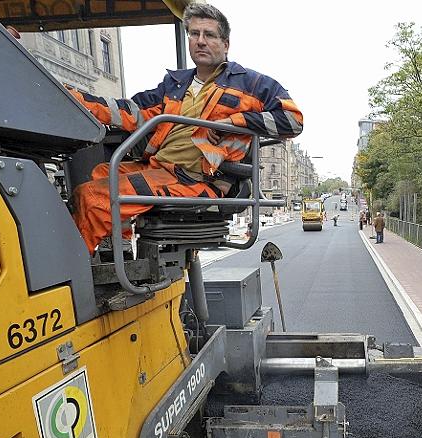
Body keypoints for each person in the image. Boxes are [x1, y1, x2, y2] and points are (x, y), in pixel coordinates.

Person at [68, 4, 303, 254]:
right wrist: (70, 97)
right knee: (100, 173)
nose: (200, 41)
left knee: (93, 198)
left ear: (226, 44)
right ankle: (119, 247)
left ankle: (74, 274)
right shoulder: (176, 84)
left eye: (209, 35)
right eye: (194, 34)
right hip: (159, 168)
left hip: (196, 178)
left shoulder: (251, 83)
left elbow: (293, 120)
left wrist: (233, 122)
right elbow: (131, 110)